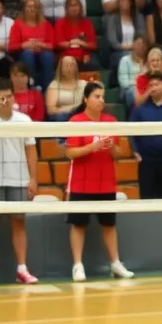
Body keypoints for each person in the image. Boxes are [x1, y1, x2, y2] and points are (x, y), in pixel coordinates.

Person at [64, 82, 134, 282]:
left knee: (109, 225)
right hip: (81, 182)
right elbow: (70, 152)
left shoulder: (111, 121)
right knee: (78, 225)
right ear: (86, 99)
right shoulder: (76, 121)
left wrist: (112, 147)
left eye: (103, 96)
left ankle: (115, 264)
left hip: (106, 182)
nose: (101, 100)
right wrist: (93, 147)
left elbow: (120, 153)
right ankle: (77, 266)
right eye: (96, 96)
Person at [0, 79, 39, 286]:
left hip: (18, 179)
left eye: (9, 96)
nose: (5, 100)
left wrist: (33, 178)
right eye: (1, 97)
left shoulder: (24, 120)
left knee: (19, 222)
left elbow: (31, 151)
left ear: (14, 97)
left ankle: (22, 269)